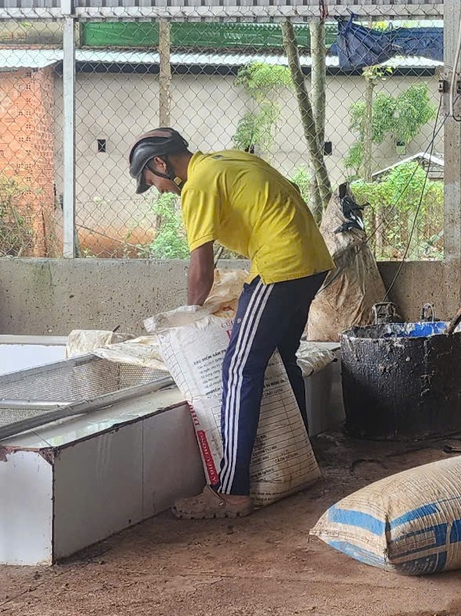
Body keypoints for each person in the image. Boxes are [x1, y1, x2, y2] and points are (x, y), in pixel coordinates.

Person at [129, 128, 333, 519]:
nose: (157, 189)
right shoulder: (230, 160)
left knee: (240, 368)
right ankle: (299, 460)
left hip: (280, 266)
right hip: (312, 260)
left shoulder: (197, 185)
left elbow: (201, 269)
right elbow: (285, 193)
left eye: (151, 181)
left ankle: (231, 491)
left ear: (160, 163)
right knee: (283, 357)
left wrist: (186, 319)